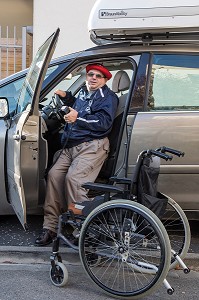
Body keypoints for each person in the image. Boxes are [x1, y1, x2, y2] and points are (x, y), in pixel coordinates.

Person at [35, 64, 119, 246]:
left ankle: (82, 229)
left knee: (74, 180)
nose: (93, 78)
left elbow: (103, 123)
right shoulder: (83, 91)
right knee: (54, 176)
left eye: (98, 76)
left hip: (92, 146)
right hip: (71, 145)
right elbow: (78, 106)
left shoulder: (108, 97)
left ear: (105, 80)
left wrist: (77, 118)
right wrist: (67, 98)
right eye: (90, 74)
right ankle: (50, 227)